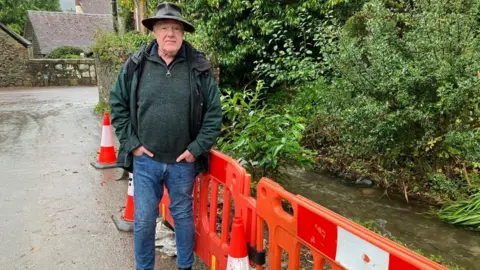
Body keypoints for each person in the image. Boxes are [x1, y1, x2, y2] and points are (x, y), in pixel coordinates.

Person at [109, 2, 222, 270]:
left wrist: (197, 148)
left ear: (183, 33)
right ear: (154, 32)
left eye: (175, 28)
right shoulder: (136, 64)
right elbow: (117, 103)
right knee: (144, 220)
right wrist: (132, 144)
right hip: (146, 162)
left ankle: (185, 266)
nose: (170, 33)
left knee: (182, 216)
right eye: (164, 28)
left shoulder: (198, 67)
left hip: (183, 162)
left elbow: (214, 113)